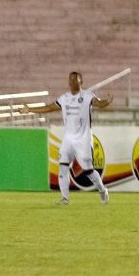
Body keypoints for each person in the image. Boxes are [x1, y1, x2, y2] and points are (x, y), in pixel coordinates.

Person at [20, 71, 112, 205]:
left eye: (75, 79)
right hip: (68, 139)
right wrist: (30, 110)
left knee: (88, 170)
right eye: (71, 80)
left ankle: (102, 190)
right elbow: (49, 107)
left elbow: (99, 103)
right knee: (62, 165)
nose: (72, 82)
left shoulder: (87, 96)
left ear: (81, 82)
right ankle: (65, 198)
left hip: (83, 139)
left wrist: (106, 102)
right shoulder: (64, 98)